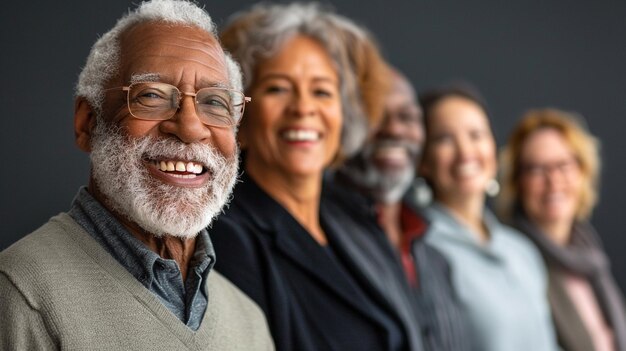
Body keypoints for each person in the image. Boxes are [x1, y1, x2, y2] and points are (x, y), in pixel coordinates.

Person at [0, 1, 274, 350]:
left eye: (215, 103)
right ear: (88, 123)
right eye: (152, 95)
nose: (190, 127)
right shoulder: (21, 293)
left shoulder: (248, 320)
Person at [209, 3, 422, 350]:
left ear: (345, 112)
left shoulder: (357, 221)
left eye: (322, 91)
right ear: (239, 113)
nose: (303, 108)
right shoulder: (226, 239)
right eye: (278, 88)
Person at [333, 69, 471, 351]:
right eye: (374, 115)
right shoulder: (321, 235)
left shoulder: (435, 257)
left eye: (407, 117)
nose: (394, 129)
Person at [417, 83, 559, 351]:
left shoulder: (521, 250)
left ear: (494, 148)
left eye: (476, 135)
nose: (465, 152)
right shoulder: (422, 252)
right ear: (423, 160)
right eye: (444, 139)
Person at [498, 108, 626, 351]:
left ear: (582, 172)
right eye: (537, 169)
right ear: (517, 182)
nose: (553, 180)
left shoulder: (589, 254)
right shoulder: (511, 263)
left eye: (564, 165)